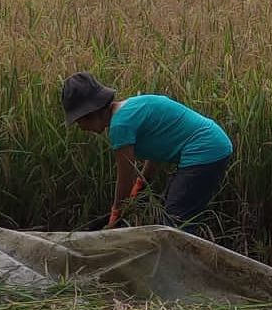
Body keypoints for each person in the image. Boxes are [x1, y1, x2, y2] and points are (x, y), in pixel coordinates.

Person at [61, 72, 232, 232]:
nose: (81, 128)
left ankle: (178, 262)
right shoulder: (130, 108)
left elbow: (125, 176)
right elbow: (157, 150)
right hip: (214, 146)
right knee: (172, 213)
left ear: (90, 113)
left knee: (175, 221)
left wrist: (116, 213)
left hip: (205, 151)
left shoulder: (120, 126)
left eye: (79, 122)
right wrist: (142, 184)